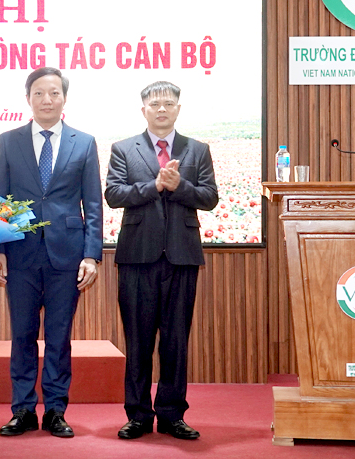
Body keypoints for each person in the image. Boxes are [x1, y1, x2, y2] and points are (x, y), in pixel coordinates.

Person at [0, 67, 102, 438]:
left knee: (58, 336)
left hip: (66, 255)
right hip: (19, 253)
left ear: (64, 98)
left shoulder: (84, 142)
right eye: (39, 93)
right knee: (22, 334)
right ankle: (22, 409)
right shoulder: (9, 140)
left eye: (54, 93)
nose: (47, 100)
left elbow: (92, 204)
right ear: (28, 99)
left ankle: (55, 410)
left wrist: (91, 255)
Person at [104, 80, 218, 441]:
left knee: (175, 341)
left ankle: (171, 415)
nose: (162, 109)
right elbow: (113, 194)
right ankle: (138, 415)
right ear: (144, 110)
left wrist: (178, 186)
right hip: (137, 257)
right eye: (155, 104)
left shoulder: (197, 150)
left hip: (181, 257)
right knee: (137, 340)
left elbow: (209, 197)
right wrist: (153, 186)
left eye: (168, 103)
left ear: (178, 109)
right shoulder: (124, 149)